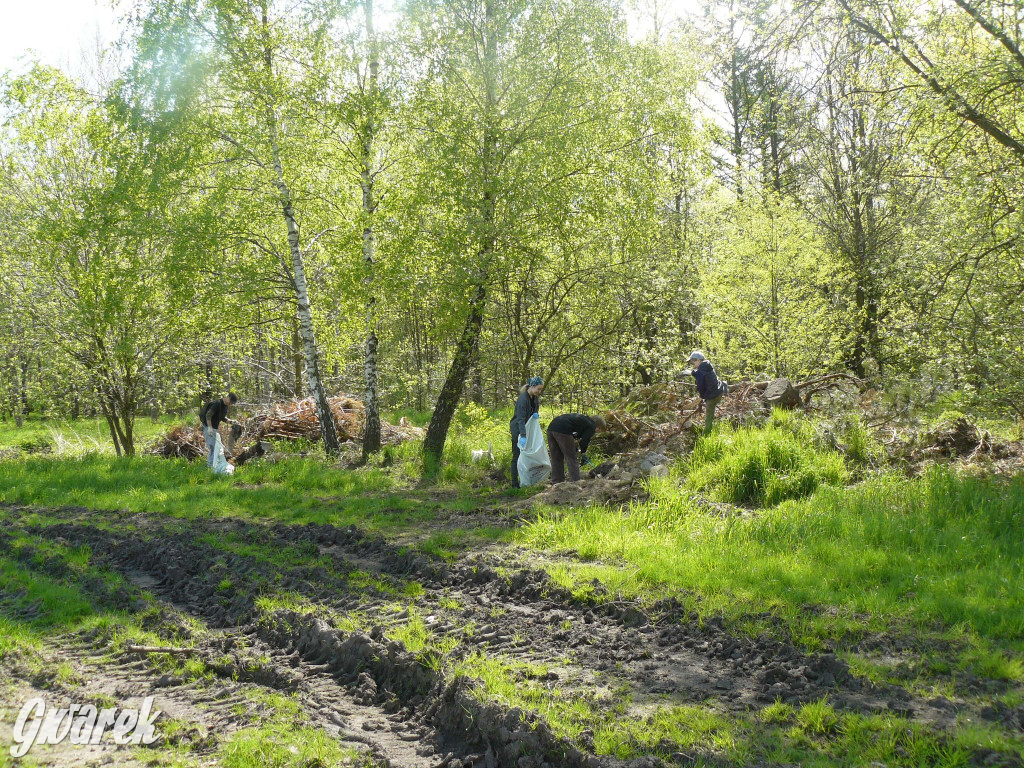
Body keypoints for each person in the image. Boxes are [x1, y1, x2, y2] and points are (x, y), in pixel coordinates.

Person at [547, 413, 605, 484]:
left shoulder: (583, 420)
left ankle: (557, 482)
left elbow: (573, 437)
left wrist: (576, 448)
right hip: (563, 430)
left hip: (551, 428)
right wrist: (583, 452)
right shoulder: (591, 425)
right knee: (572, 458)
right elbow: (584, 440)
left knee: (556, 457)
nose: (597, 432)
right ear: (598, 426)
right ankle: (576, 482)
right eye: (599, 429)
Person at [681, 351, 728, 435]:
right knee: (709, 411)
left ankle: (706, 434)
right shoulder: (706, 366)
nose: (692, 364)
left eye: (693, 361)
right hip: (716, 392)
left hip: (714, 395)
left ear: (698, 360)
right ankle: (708, 431)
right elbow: (702, 378)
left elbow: (700, 376)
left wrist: (691, 373)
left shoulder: (703, 367)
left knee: (709, 415)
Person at [509, 377, 544, 487]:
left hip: (527, 429)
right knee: (517, 456)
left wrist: (535, 413)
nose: (539, 391)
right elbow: (520, 419)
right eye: (538, 389)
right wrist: (522, 435)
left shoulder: (534, 398)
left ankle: (527, 480)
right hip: (518, 429)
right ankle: (514, 484)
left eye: (540, 389)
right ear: (532, 387)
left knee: (528, 456)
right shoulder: (522, 399)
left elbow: (535, 409)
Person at [200, 392, 239, 473]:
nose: (230, 404)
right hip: (208, 427)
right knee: (212, 448)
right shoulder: (217, 403)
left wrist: (231, 422)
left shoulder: (225, 407)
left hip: (214, 428)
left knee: (217, 447)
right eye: (230, 402)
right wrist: (209, 427)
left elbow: (222, 418)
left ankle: (213, 465)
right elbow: (208, 415)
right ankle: (210, 467)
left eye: (232, 403)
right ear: (227, 397)